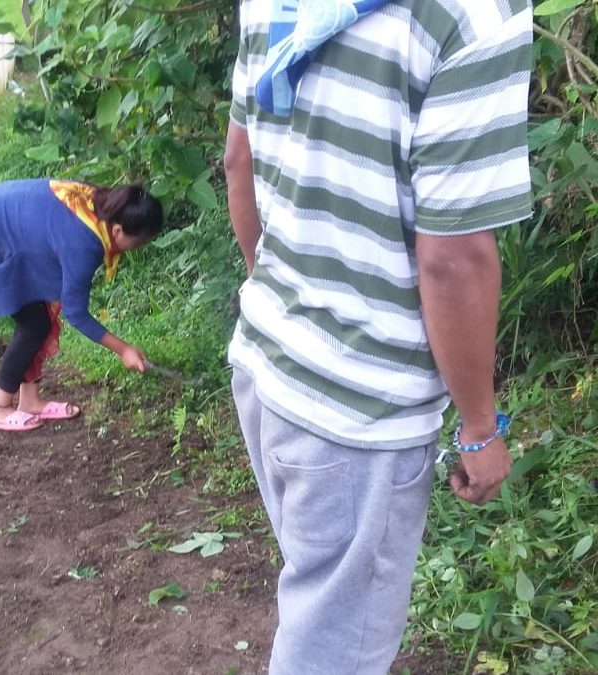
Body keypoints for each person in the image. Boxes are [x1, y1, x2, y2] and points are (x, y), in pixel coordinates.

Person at [224, 1, 532, 673]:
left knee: (318, 600)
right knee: (333, 647)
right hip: (358, 417)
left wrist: (288, 306)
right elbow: (452, 257)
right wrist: (480, 428)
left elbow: (237, 160)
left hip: (264, 363)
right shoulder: (472, 16)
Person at [0, 178, 162, 431]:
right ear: (117, 231)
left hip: (5, 219)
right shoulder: (85, 242)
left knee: (39, 319)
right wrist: (124, 349)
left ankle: (30, 401)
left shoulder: (103, 206)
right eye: (138, 243)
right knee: (34, 324)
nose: (137, 249)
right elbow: (76, 313)